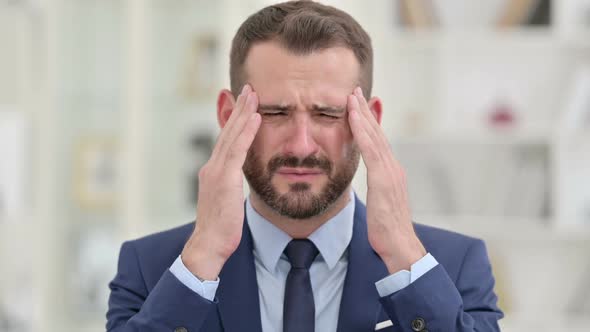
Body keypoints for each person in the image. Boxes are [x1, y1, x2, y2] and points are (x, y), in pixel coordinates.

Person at [106, 1, 503, 331]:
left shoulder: (452, 266)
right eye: (275, 112)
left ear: (371, 121)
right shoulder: (152, 268)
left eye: (328, 114)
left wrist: (402, 253)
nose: (300, 144)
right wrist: (205, 255)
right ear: (229, 115)